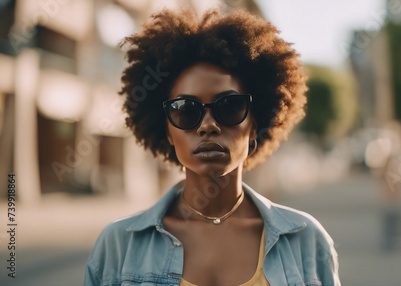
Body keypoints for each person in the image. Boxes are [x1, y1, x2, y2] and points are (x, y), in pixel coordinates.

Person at [84, 8, 340, 286]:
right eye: (185, 110)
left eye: (229, 107)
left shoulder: (306, 240)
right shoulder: (118, 245)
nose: (208, 125)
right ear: (168, 131)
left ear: (254, 125)